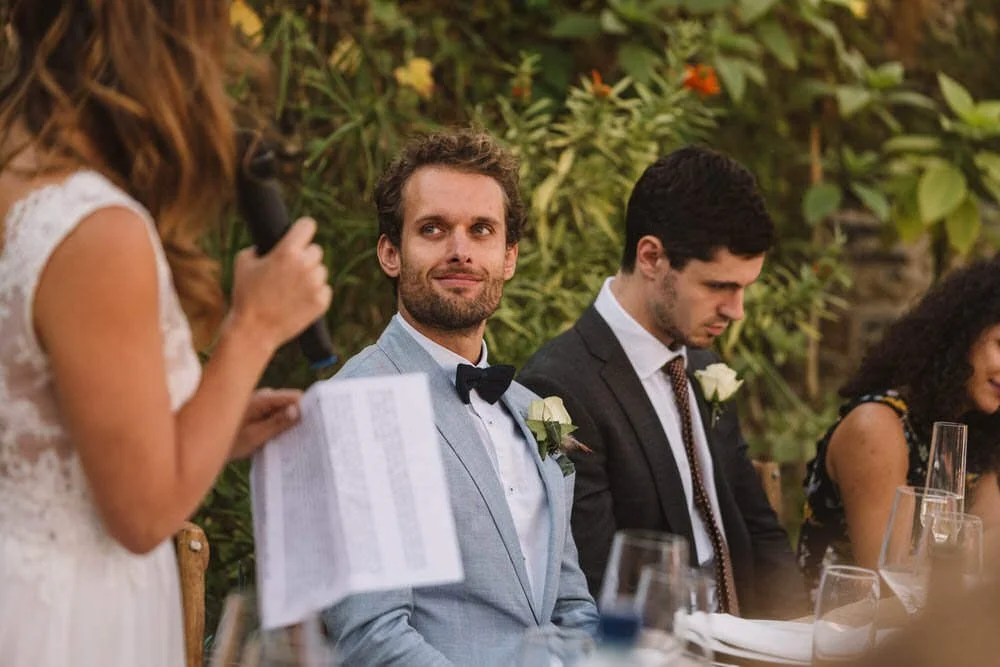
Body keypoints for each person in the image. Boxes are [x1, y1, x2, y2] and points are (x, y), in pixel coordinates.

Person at [0, 3, 331, 666]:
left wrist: (202, 421)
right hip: (72, 622)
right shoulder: (96, 231)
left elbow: (42, 420)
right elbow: (144, 513)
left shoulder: (18, 176)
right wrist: (255, 324)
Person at [322, 129, 598, 666]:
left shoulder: (533, 410)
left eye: (481, 231)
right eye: (433, 229)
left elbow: (570, 603)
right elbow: (372, 639)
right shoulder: (359, 404)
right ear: (390, 253)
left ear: (508, 257)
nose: (460, 251)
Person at [519, 145, 807, 619]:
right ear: (651, 257)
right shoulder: (558, 388)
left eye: (744, 288)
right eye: (718, 286)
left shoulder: (702, 366)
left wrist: (800, 636)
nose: (737, 311)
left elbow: (760, 529)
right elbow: (595, 580)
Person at [798, 258, 1000, 596]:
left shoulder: (975, 433)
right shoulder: (877, 426)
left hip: (921, 634)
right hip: (839, 634)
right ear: (960, 337)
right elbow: (890, 580)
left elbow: (988, 556)